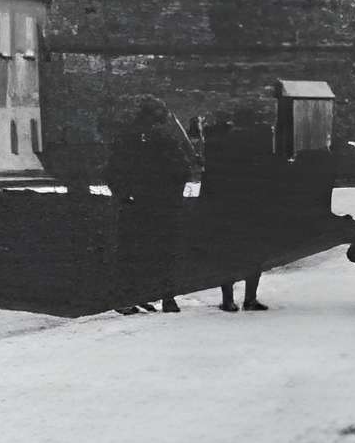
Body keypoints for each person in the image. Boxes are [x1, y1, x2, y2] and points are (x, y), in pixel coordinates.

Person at [106, 96, 193, 313]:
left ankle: (134, 296)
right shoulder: (164, 138)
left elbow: (112, 171)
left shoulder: (127, 137)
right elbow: (182, 170)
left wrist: (124, 195)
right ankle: (165, 297)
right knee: (162, 250)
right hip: (160, 203)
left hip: (138, 202)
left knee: (134, 250)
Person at [200, 103, 279, 311]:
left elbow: (211, 174)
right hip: (253, 205)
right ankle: (250, 298)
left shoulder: (221, 142)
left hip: (227, 206)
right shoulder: (260, 141)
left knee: (227, 252)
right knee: (254, 252)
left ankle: (228, 300)